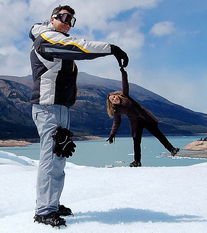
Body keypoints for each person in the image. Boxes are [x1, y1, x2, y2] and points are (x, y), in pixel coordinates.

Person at [29, 5, 128, 227]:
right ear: (52, 18)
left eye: (71, 20)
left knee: (60, 155)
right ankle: (44, 210)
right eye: (64, 17)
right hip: (48, 108)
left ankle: (51, 203)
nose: (67, 23)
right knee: (51, 156)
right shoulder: (46, 39)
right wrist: (110, 48)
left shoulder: (55, 39)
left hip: (59, 107)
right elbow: (79, 47)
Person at [106, 67, 179, 167]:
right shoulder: (116, 110)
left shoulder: (126, 96)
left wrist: (123, 72)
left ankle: (172, 149)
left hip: (146, 118)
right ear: (112, 103)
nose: (114, 99)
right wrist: (112, 135)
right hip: (135, 123)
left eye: (114, 97)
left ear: (117, 95)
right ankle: (137, 161)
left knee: (159, 135)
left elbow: (125, 84)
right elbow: (116, 123)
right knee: (136, 142)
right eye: (112, 100)